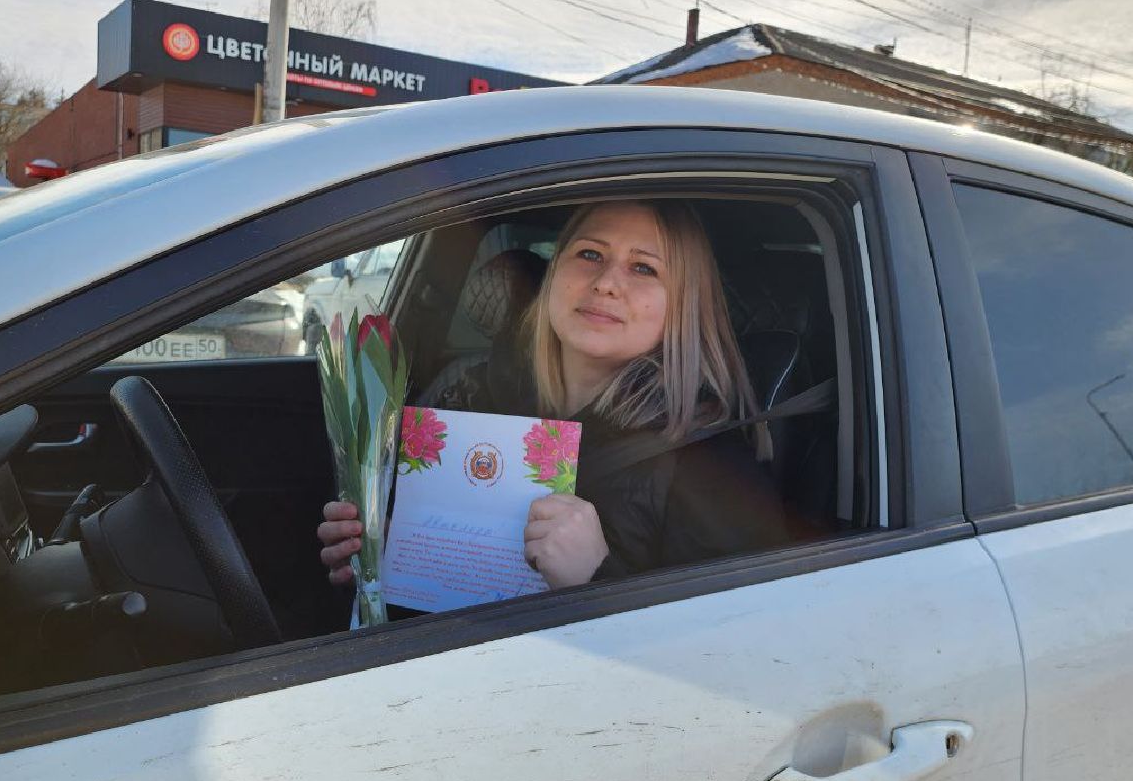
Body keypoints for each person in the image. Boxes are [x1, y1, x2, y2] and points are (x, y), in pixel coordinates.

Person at [318, 199, 789, 596]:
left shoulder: (713, 465)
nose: (607, 282)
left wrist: (597, 579)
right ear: (553, 275)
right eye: (589, 254)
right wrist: (368, 555)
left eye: (644, 267)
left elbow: (728, 662)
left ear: (682, 306)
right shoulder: (462, 397)